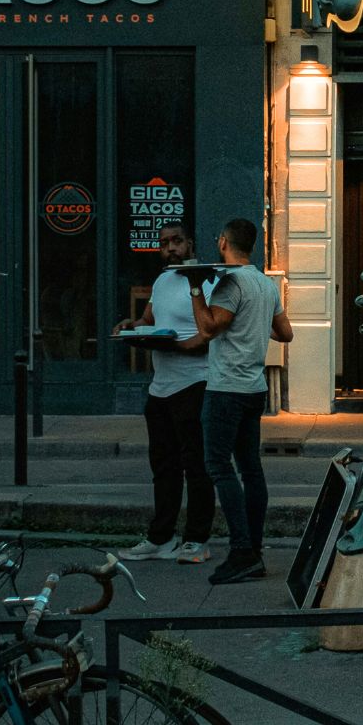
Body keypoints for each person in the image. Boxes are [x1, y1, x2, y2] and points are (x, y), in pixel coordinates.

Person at [183, 218, 293, 585]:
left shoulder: (230, 283)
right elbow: (286, 333)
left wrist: (195, 288)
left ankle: (242, 551)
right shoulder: (264, 284)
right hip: (253, 389)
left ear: (223, 242)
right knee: (250, 468)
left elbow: (208, 328)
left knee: (218, 465)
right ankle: (253, 551)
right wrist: (255, 326)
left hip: (226, 389)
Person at [112, 222, 215, 565]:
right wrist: (132, 327)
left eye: (177, 241)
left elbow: (213, 332)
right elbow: (149, 319)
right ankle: (161, 537)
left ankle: (197, 540)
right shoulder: (161, 281)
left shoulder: (207, 281)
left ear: (191, 244)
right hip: (161, 386)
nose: (170, 248)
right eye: (164, 243)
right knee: (163, 466)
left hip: (196, 382)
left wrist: (181, 346)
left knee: (196, 465)